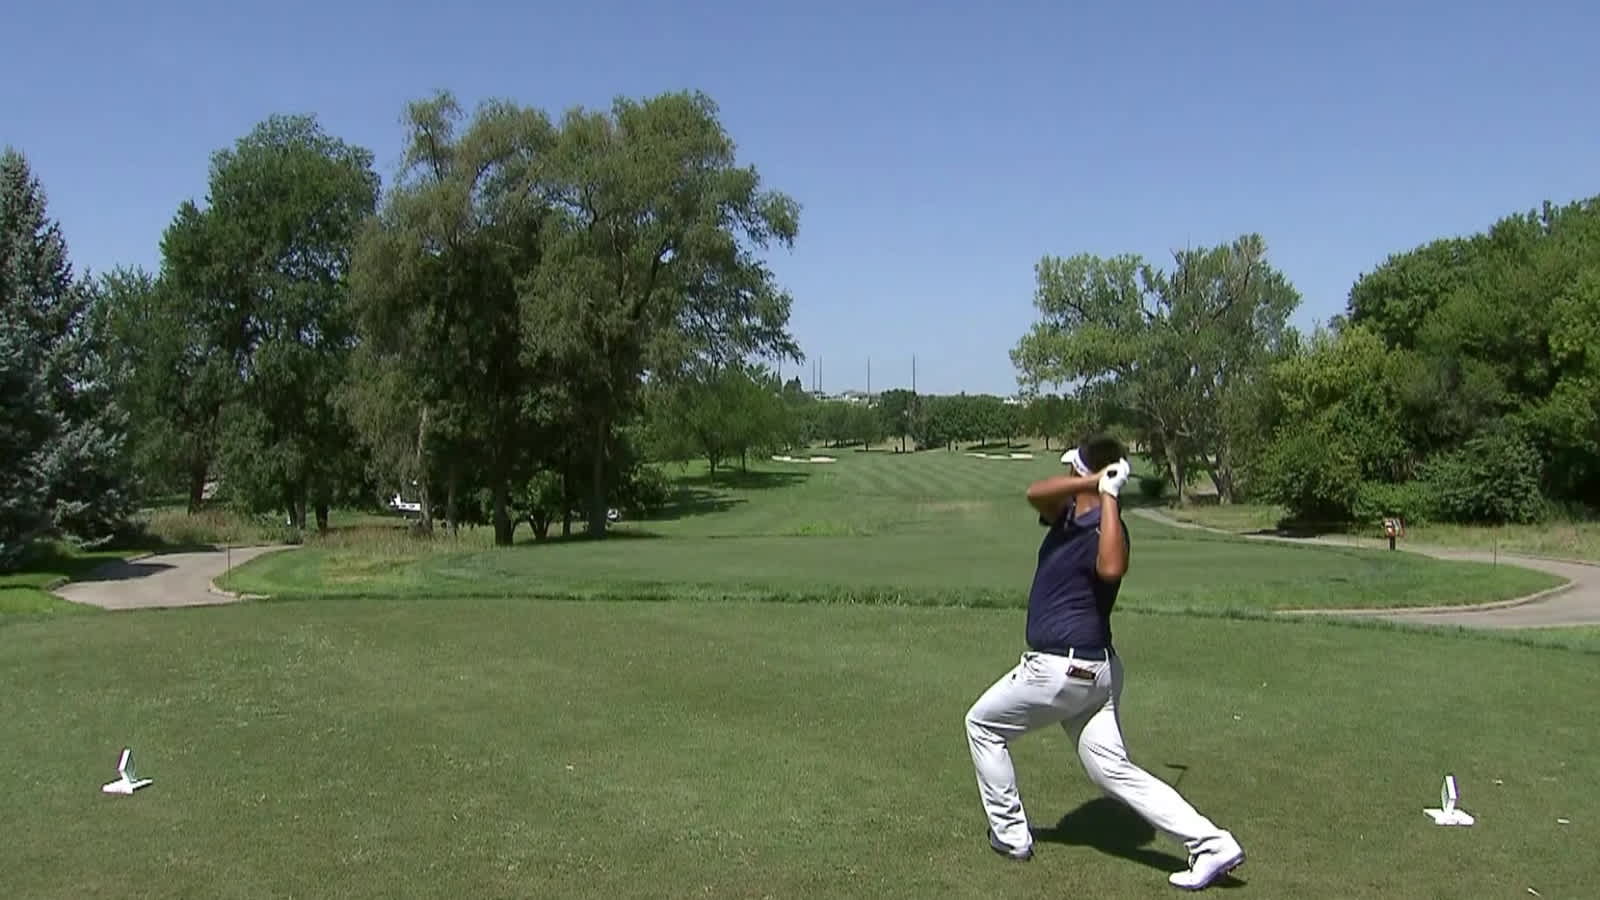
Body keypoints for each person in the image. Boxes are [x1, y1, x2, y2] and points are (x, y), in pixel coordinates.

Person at [962, 433, 1245, 891]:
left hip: (1062, 670)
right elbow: (1034, 493)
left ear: (1082, 470)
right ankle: (1212, 843)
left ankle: (1010, 835)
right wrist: (1093, 482)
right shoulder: (1066, 513)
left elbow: (1111, 568)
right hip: (1093, 675)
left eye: (1073, 469)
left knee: (983, 725)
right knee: (1113, 771)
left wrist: (1109, 497)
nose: (1068, 476)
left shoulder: (1107, 527)